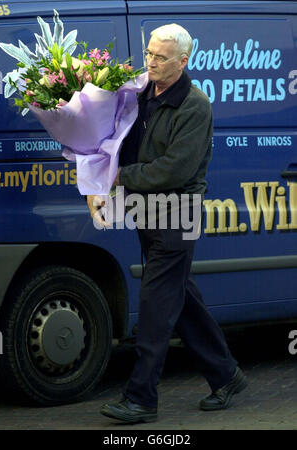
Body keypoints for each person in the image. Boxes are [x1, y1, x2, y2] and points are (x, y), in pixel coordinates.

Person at [87, 23, 247, 423]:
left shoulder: (194, 105)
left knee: (156, 307)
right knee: (182, 300)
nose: (151, 63)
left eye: (160, 57)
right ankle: (226, 375)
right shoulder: (141, 92)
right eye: (149, 54)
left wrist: (119, 177)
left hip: (178, 213)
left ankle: (141, 398)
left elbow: (175, 170)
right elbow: (116, 134)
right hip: (147, 212)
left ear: (183, 61)